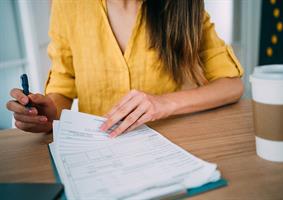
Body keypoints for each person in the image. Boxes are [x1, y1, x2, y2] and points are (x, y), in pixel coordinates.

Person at [6, 0, 244, 137]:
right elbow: (63, 83)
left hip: (173, 144)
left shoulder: (183, 6)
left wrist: (165, 103)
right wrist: (50, 113)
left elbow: (232, 85)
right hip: (100, 151)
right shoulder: (69, 5)